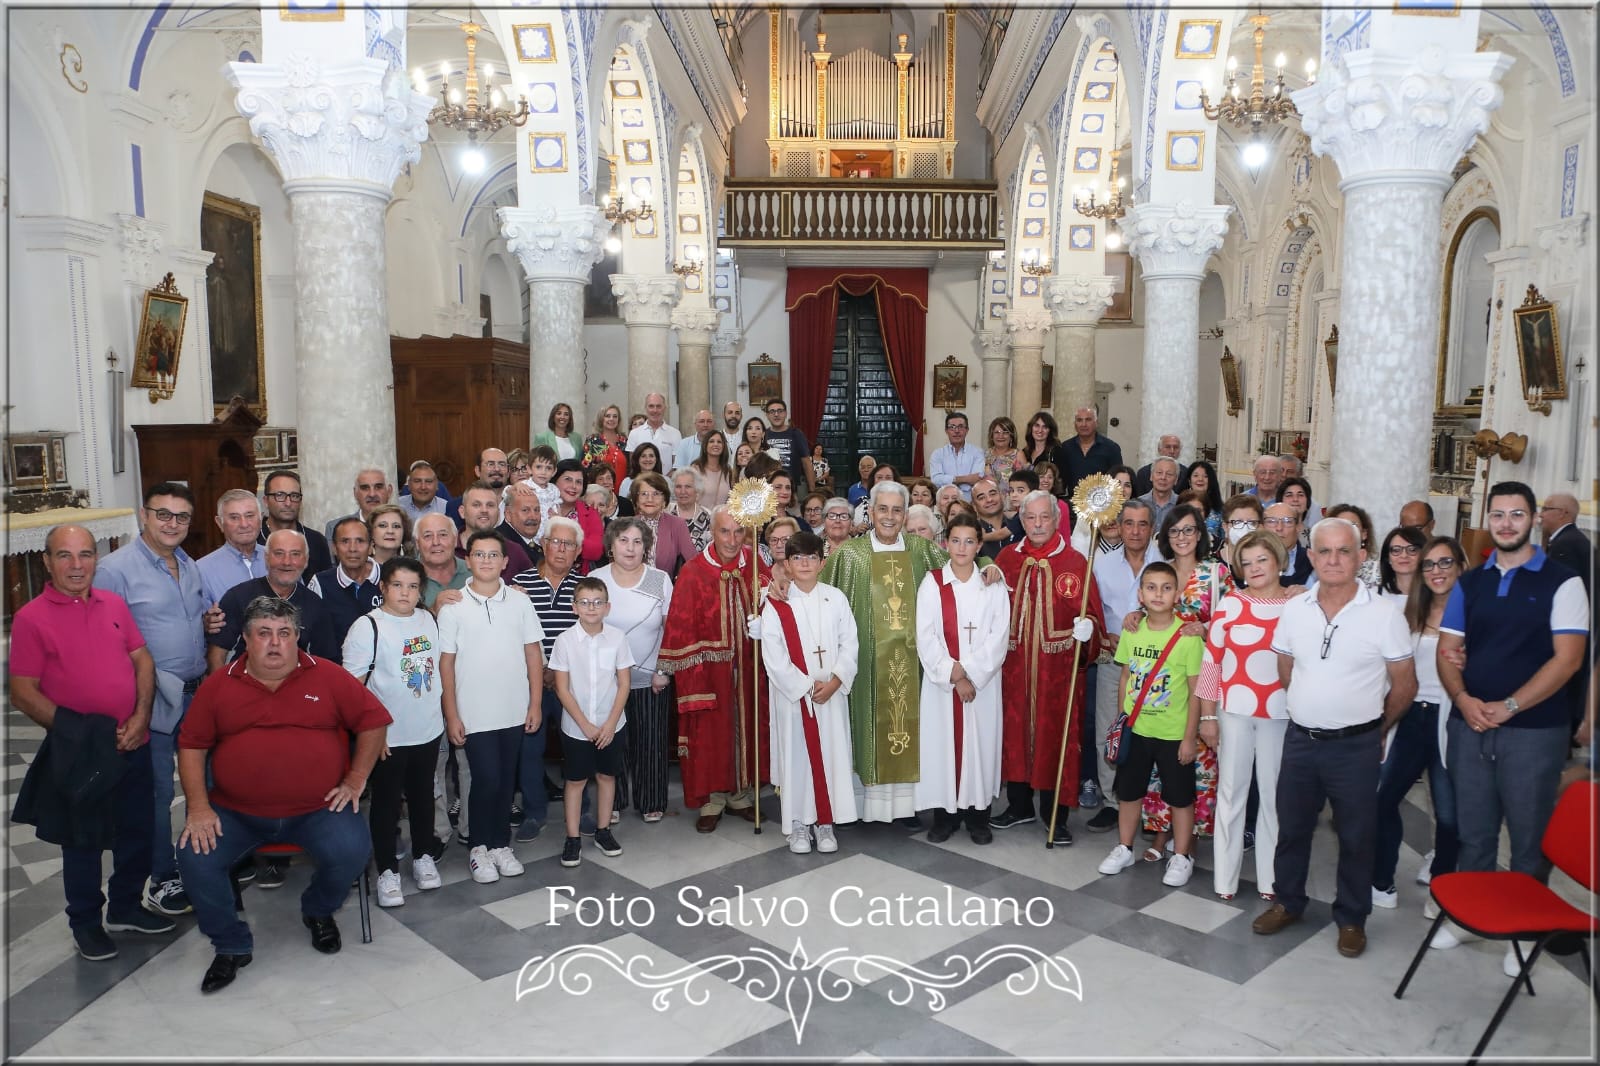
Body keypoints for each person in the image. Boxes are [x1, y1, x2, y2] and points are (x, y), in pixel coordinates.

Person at [175, 596, 390, 993]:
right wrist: (199, 806)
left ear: (297, 639)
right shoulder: (219, 684)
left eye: (284, 634)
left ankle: (319, 911)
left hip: (317, 809)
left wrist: (357, 778)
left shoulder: (327, 675)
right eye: (263, 633)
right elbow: (191, 746)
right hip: (236, 812)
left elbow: (374, 721)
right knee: (194, 857)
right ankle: (230, 944)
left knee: (353, 851)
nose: (274, 643)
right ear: (245, 639)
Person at [1433, 482, 1588, 970]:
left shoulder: (1563, 582)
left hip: (1534, 731)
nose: (1505, 524)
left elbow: (1567, 661)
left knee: (1528, 836)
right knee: (1474, 832)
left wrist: (1511, 705)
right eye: (1497, 514)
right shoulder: (1470, 582)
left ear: (1535, 518)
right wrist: (1462, 697)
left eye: (1516, 515)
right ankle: (1468, 919)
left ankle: (1525, 930)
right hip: (1470, 724)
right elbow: (1447, 649)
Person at [1254, 517, 1417, 960]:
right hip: (1302, 739)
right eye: (1323, 551)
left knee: (1357, 835)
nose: (1333, 559)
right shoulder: (1295, 608)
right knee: (1293, 827)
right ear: (1310, 557)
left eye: (1344, 551)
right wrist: (1312, 704)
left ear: (1361, 557)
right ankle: (1288, 901)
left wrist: (1379, 728)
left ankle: (1351, 918)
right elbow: (1286, 668)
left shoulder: (1383, 615)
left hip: (1356, 746)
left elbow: (1405, 683)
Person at [11, 524, 171, 962]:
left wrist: (140, 717)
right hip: (79, 748)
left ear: (96, 559)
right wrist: (78, 732)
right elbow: (22, 691)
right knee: (81, 841)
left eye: (85, 554)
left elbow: (142, 660)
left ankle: (124, 907)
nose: (77, 565)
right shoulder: (31, 618)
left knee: (138, 829)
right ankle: (85, 922)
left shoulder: (114, 604)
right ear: (47, 561)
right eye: (65, 556)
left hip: (131, 740)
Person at [93, 484, 222, 921]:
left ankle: (197, 863)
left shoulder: (187, 564)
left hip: (192, 690)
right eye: (163, 514)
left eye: (181, 517)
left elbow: (194, 618)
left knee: (200, 781)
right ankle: (159, 876)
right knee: (154, 792)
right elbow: (103, 643)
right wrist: (131, 707)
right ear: (143, 516)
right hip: (147, 697)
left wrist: (210, 622)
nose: (172, 524)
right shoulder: (115, 570)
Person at [820, 480, 972, 826]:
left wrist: (990, 565)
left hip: (913, 665)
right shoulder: (850, 554)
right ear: (870, 512)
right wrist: (781, 583)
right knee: (870, 732)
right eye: (883, 509)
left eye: (897, 510)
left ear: (906, 514)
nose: (889, 517)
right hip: (865, 670)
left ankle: (907, 808)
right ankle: (864, 805)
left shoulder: (921, 550)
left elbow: (962, 565)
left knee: (908, 724)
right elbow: (819, 593)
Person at [992, 491, 1103, 844]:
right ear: (1021, 521)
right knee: (1015, 734)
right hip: (1014, 670)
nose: (1038, 525)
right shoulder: (1007, 559)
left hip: (1059, 673)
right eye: (1031, 518)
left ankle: (1056, 814)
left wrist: (1090, 631)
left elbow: (1094, 618)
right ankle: (1019, 805)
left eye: (1044, 517)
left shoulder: (1075, 562)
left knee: (1056, 739)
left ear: (1057, 520)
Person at [438, 530, 543, 885]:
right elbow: (446, 665)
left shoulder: (519, 602)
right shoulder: (453, 606)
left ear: (504, 562)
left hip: (513, 708)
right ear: (468, 560)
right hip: (473, 712)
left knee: (505, 780)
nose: (485, 561)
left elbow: (533, 654)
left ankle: (501, 844)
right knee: (485, 779)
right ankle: (479, 848)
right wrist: (452, 714)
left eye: (492, 555)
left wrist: (535, 704)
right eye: (478, 554)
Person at [658, 507, 772, 832]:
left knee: (747, 728)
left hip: (751, 667)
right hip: (708, 671)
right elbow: (681, 623)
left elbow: (770, 600)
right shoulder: (694, 571)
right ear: (712, 532)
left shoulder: (754, 562)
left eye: (739, 532)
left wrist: (764, 619)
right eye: (725, 532)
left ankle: (741, 795)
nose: (732, 540)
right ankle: (712, 800)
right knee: (710, 734)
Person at [341, 557, 446, 908]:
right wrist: (373, 734)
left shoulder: (427, 619)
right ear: (383, 587)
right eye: (398, 585)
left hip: (427, 729)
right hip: (387, 737)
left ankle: (422, 856)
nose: (405, 593)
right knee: (385, 804)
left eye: (413, 586)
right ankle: (386, 870)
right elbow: (353, 689)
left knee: (422, 797)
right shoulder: (367, 627)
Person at [1371, 535, 1466, 914]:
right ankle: (1381, 881)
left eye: (1446, 563)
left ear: (1460, 567)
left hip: (1449, 717)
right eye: (1430, 564)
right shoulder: (1409, 613)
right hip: (1410, 716)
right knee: (1383, 799)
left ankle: (1443, 890)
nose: (1436, 571)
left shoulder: (1472, 615)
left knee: (1448, 813)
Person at [1096, 561, 1205, 887]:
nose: (1159, 594)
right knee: (1129, 793)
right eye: (1151, 587)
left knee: (1180, 797)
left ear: (1177, 595)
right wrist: (1121, 722)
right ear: (1140, 595)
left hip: (1173, 733)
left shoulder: (1187, 637)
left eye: (1166, 588)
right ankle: (1125, 846)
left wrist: (1190, 737)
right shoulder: (1133, 631)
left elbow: (1195, 692)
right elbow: (1126, 676)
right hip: (1137, 730)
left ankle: (1182, 855)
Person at [1132, 505, 1229, 857]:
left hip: (1202, 674)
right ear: (1165, 537)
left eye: (1189, 530)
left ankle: (1185, 838)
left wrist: (1203, 627)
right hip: (1163, 678)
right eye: (1175, 531)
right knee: (1163, 759)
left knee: (1196, 755)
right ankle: (1161, 832)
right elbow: (1147, 610)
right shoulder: (1160, 571)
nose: (1182, 537)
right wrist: (1133, 615)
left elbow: (1232, 621)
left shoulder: (1217, 573)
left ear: (1200, 534)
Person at [1202, 530, 1292, 902]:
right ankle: (1225, 879)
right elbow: (1212, 660)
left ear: (1277, 561)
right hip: (1234, 711)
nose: (1254, 568)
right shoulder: (1230, 604)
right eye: (1247, 561)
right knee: (1231, 793)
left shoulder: (1298, 604)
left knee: (1273, 798)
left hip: (1280, 713)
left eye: (1262, 560)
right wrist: (1208, 716)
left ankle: (1270, 880)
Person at [761, 530, 860, 854]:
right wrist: (804, 687)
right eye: (797, 558)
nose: (804, 563)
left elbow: (850, 644)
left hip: (830, 697)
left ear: (822, 562)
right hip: (795, 699)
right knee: (799, 760)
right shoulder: (777, 603)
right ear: (787, 564)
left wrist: (835, 681)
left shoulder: (836, 598)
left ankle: (825, 823)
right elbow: (773, 655)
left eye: (811, 557)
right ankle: (799, 825)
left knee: (830, 757)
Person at [915, 513, 1011, 845]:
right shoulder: (933, 582)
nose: (962, 547)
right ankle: (945, 817)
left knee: (980, 747)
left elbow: (999, 636)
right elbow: (925, 636)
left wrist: (970, 672)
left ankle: (978, 817)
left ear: (980, 545)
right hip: (944, 686)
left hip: (982, 685)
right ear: (945, 543)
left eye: (970, 541)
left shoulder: (992, 584)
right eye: (955, 540)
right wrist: (955, 676)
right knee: (943, 748)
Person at [1086, 499, 1163, 832]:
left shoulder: (1165, 564)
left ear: (1152, 528)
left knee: (1152, 734)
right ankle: (1112, 801)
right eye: (1128, 523)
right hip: (1113, 658)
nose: (1135, 531)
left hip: (1158, 666)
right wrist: (1104, 634)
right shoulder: (1102, 564)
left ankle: (1148, 805)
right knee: (1110, 728)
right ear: (1119, 525)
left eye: (1142, 524)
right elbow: (1091, 610)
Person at [511, 515, 588, 840]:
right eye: (554, 541)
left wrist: (558, 670)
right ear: (543, 545)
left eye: (568, 544)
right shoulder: (518, 584)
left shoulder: (585, 588)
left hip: (573, 683)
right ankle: (534, 812)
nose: (560, 549)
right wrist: (538, 671)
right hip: (530, 685)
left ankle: (583, 809)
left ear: (578, 551)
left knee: (578, 748)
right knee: (529, 750)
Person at [594, 519, 674, 824]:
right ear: (611, 545)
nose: (630, 547)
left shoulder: (659, 579)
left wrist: (664, 670)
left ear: (646, 547)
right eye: (624, 540)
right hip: (608, 679)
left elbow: (671, 629)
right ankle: (612, 800)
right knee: (610, 740)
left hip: (651, 676)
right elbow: (588, 629)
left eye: (638, 541)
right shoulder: (596, 578)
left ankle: (651, 799)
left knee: (650, 741)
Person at [549, 576, 633, 868]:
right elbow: (562, 688)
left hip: (612, 724)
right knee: (575, 780)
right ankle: (573, 838)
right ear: (575, 608)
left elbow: (623, 684)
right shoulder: (565, 641)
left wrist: (610, 724)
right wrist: (584, 724)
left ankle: (603, 831)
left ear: (607, 607)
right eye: (584, 602)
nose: (591, 608)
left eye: (598, 602)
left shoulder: (618, 638)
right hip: (576, 726)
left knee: (607, 776)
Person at [208, 529, 340, 672]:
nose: (287, 562)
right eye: (279, 553)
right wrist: (224, 691)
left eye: (295, 554)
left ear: (306, 560)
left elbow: (326, 661)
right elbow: (217, 655)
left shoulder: (315, 604)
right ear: (266, 558)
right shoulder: (238, 597)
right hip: (245, 686)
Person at [309, 516, 382, 645]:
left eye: (360, 541)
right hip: (337, 663)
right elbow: (315, 636)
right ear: (334, 548)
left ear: (371, 547)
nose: (352, 549)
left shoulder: (390, 577)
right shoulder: (320, 583)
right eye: (345, 541)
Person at [197, 488, 268, 605]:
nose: (244, 524)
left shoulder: (281, 559)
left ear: (260, 520)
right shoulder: (202, 570)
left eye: (249, 515)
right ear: (220, 523)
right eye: (234, 517)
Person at [258, 470, 332, 576]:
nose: (288, 503)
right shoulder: (254, 539)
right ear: (266, 501)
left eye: (294, 496)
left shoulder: (316, 541)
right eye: (280, 495)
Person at [456, 481, 533, 578]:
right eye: (476, 505)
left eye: (490, 505)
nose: (484, 510)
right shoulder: (446, 550)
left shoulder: (514, 551)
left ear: (499, 513)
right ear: (462, 512)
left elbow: (534, 585)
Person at [630, 471, 696, 578]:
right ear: (636, 500)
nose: (650, 499)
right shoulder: (626, 526)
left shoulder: (677, 525)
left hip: (664, 589)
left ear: (664, 500)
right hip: (630, 586)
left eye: (656, 494)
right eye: (644, 494)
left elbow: (694, 562)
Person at [549, 459, 605, 574]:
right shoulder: (540, 505)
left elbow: (596, 551)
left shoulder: (590, 513)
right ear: (555, 480)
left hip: (577, 578)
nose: (573, 486)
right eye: (568, 480)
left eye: (579, 482)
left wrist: (564, 526)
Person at [1053, 406, 1123, 497]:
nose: (1083, 424)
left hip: (1102, 505)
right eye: (1079, 420)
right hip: (1072, 503)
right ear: (1075, 424)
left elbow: (1118, 479)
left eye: (1088, 420)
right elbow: (1060, 480)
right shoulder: (1065, 448)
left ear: (1096, 423)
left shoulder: (1111, 448)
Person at [324, 467, 394, 543]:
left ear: (389, 491)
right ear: (355, 493)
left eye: (378, 487)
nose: (372, 494)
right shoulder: (335, 527)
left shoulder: (402, 526)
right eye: (365, 488)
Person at [416, 513, 469, 609]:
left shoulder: (473, 571)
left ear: (455, 539)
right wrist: (433, 611)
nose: (436, 542)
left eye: (443, 535)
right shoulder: (405, 577)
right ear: (417, 543)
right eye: (428, 536)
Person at [929, 411, 986, 501]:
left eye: (960, 427)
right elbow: (935, 480)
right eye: (952, 427)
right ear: (946, 431)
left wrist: (948, 480)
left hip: (970, 502)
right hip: (945, 503)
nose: (956, 431)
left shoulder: (977, 452)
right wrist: (964, 479)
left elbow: (976, 480)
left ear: (967, 430)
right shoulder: (937, 454)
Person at [1326, 503, 1382, 591]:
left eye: (1353, 525)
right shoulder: (1323, 564)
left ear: (1364, 534)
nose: (1346, 530)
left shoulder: (1378, 571)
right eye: (1340, 525)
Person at [762, 398, 815, 490]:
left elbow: (806, 463)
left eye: (780, 411)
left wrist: (812, 490)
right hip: (768, 489)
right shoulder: (763, 435)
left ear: (786, 413)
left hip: (791, 489)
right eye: (772, 411)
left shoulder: (796, 434)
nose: (776, 414)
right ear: (767, 415)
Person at [1262, 502, 1314, 587]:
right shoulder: (1251, 560)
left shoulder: (1312, 560)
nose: (1279, 528)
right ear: (1262, 527)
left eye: (1287, 521)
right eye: (1271, 521)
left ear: (1298, 527)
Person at [498, 482, 545, 566]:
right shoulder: (500, 544)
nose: (533, 517)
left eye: (537, 510)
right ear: (508, 514)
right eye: (525, 510)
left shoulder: (536, 545)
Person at [583, 404, 629, 487]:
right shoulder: (593, 440)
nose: (611, 419)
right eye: (608, 416)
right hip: (600, 490)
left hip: (622, 490)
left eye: (615, 416)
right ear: (601, 419)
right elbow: (586, 467)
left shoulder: (624, 441)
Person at [1180, 460, 1225, 545]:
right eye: (1196, 475)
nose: (1200, 479)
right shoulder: (1180, 505)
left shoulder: (1220, 509)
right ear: (1189, 480)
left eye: (1205, 476)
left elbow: (1224, 539)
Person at [670, 468, 714, 553]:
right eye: (678, 487)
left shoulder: (708, 516)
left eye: (688, 486)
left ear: (697, 489)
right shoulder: (666, 513)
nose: (683, 491)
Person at [1376, 525, 1425, 600]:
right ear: (1388, 558)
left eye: (1412, 550)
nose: (1404, 555)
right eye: (1396, 550)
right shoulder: (1374, 596)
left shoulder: (1436, 595)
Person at [691, 430, 733, 511]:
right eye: (711, 441)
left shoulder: (728, 471)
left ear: (724, 446)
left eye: (719, 442)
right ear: (705, 445)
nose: (716, 444)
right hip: (700, 520)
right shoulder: (695, 469)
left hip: (721, 520)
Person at [1135, 456, 1181, 530]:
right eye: (1159, 473)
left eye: (1169, 474)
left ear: (1176, 480)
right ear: (1151, 476)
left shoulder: (1182, 504)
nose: (1163, 477)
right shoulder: (1138, 503)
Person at [398, 460, 449, 525]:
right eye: (417, 481)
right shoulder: (397, 505)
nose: (423, 487)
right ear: (409, 485)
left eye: (428, 481)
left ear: (437, 486)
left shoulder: (446, 508)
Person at [984, 416, 1023, 488]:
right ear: (992, 436)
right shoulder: (985, 454)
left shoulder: (1017, 454)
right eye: (997, 432)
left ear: (1011, 436)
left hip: (1011, 497)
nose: (1000, 436)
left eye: (1005, 432)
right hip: (989, 497)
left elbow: (1024, 481)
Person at [1276, 476, 1317, 545]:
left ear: (1308, 502)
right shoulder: (1271, 533)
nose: (1295, 499)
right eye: (1289, 495)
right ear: (1280, 501)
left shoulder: (1315, 536)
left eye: (1300, 495)